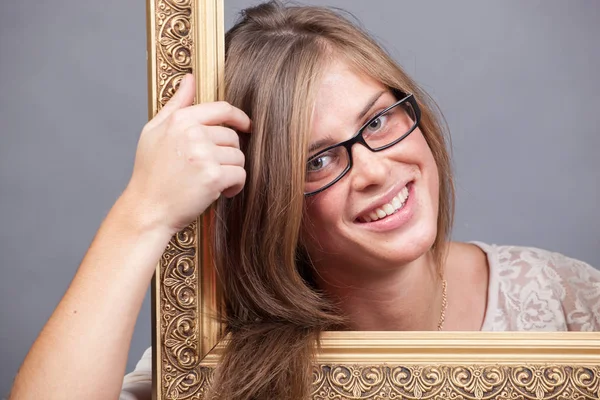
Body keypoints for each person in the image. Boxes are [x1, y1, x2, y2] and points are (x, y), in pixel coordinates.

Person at [9, 1, 600, 400]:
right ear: (270, 206)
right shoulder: (222, 362)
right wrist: (143, 214)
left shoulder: (567, 301)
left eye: (379, 120)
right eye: (317, 160)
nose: (372, 168)